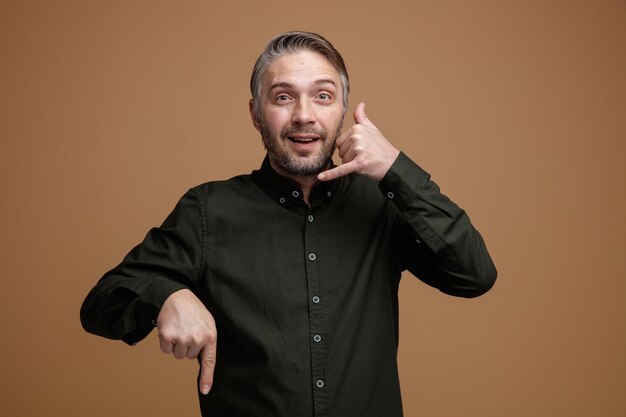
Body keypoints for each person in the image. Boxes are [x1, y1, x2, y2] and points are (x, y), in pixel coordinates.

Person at [80, 31, 497, 417]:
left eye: (322, 96)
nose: (304, 115)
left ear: (342, 111)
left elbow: (473, 275)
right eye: (283, 98)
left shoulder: (383, 203)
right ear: (256, 114)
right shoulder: (207, 210)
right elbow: (101, 302)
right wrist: (165, 295)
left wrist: (396, 170)